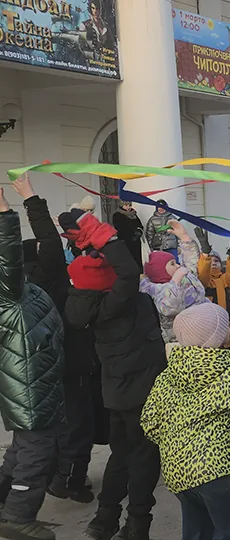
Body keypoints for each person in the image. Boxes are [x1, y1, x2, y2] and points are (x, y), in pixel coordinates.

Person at [140, 302, 230, 540]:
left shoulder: (167, 375)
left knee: (198, 533)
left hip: (178, 473)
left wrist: (180, 439)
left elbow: (149, 424)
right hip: (219, 473)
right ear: (217, 336)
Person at [62, 212, 165, 540]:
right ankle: (136, 525)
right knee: (143, 460)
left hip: (119, 394)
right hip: (140, 394)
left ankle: (104, 520)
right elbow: (130, 270)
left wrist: (87, 242)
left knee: (121, 456)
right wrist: (105, 237)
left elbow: (121, 271)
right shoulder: (118, 305)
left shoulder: (89, 304)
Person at [13, 177, 99, 506]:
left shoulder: (17, 287)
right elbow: (49, 241)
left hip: (37, 368)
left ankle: (52, 475)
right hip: (69, 362)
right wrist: (29, 196)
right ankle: (68, 480)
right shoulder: (51, 280)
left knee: (46, 427)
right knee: (77, 426)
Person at [0, 187, 65, 540]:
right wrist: (6, 214)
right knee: (36, 453)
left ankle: (4, 505)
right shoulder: (7, 292)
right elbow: (9, 255)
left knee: (24, 449)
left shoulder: (30, 289)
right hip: (28, 388)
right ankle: (19, 516)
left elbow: (49, 251)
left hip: (37, 385)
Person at [139, 222, 209, 343]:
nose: (177, 265)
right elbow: (169, 308)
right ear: (160, 270)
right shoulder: (157, 290)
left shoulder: (182, 278)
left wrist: (184, 237)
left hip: (202, 325)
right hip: (184, 339)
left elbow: (191, 264)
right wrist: (175, 281)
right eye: (172, 264)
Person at [185, 229, 230, 347]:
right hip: (207, 332)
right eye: (211, 261)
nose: (213, 263)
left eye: (216, 260)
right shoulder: (203, 282)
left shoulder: (226, 280)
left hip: (227, 330)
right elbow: (202, 274)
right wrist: (205, 254)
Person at [112, 201, 143, 271]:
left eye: (130, 205)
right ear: (122, 205)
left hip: (136, 241)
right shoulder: (117, 215)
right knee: (127, 260)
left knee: (137, 259)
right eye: (126, 205)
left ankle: (138, 273)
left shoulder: (134, 214)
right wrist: (131, 234)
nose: (128, 207)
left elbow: (140, 225)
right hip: (125, 241)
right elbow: (119, 227)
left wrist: (139, 232)